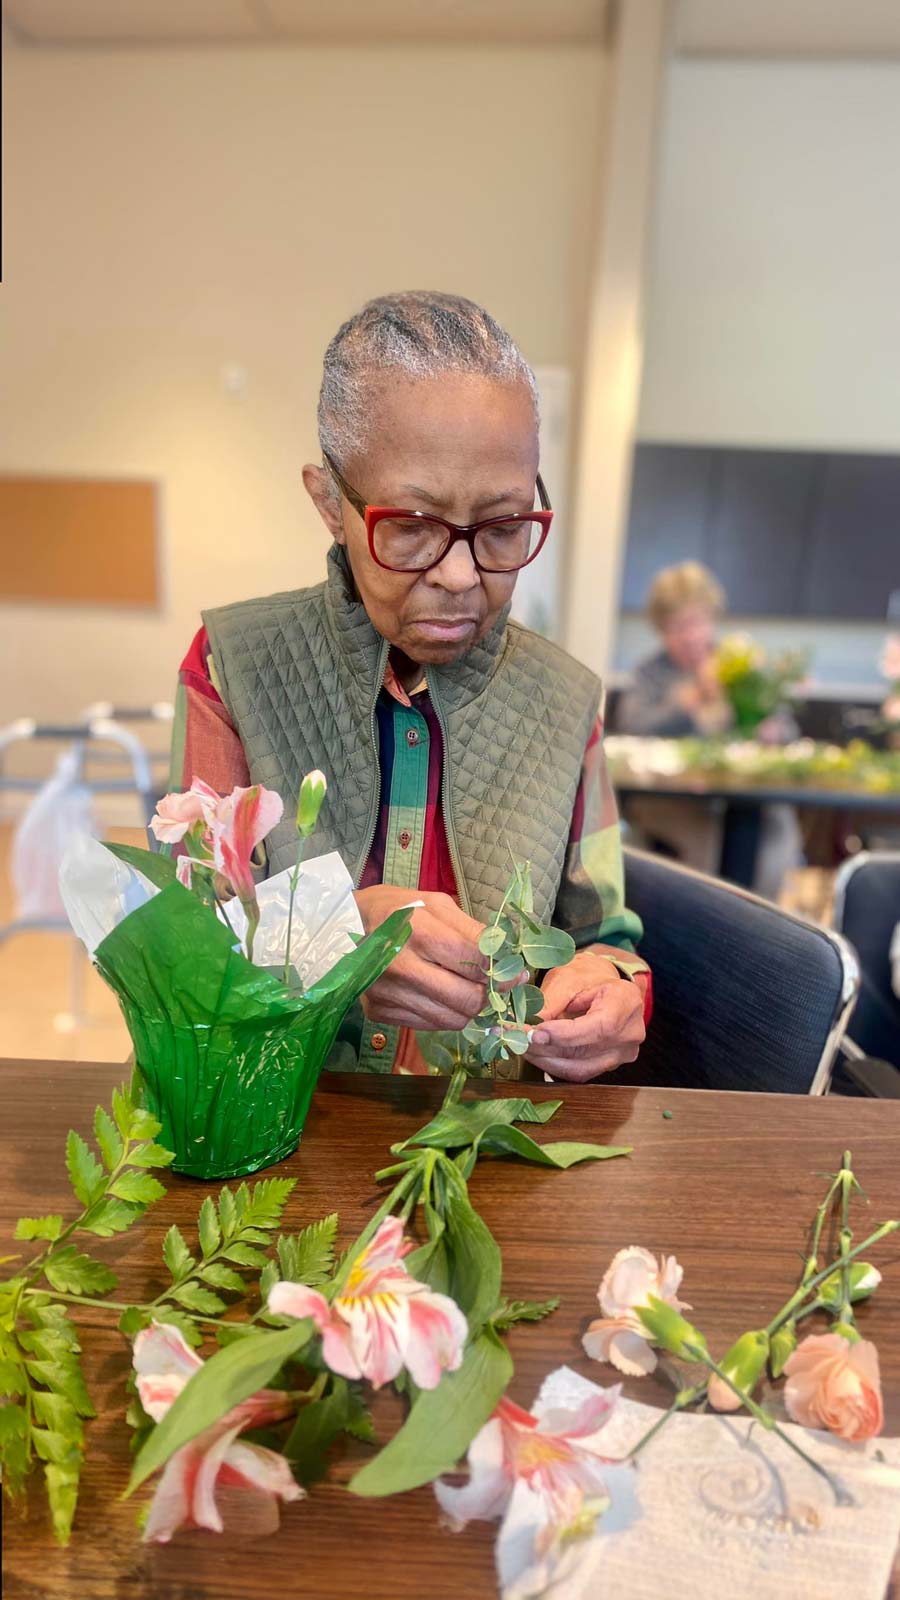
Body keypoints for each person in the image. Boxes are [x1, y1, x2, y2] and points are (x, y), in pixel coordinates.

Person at [169, 290, 650, 1081]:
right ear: (330, 503)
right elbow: (181, 949)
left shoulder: (565, 701)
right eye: (413, 527)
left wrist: (612, 986)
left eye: (502, 527)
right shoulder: (236, 666)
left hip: (482, 1140)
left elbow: (606, 936)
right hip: (275, 1121)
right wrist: (332, 934)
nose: (460, 576)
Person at [617, 561, 801, 900]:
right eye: (677, 627)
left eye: (696, 623)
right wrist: (684, 705)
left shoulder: (739, 667)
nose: (689, 636)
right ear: (661, 630)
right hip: (675, 800)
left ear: (712, 620)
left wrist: (772, 730)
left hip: (739, 796)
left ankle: (751, 915)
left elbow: (787, 729)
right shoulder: (652, 675)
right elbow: (631, 727)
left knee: (759, 821)